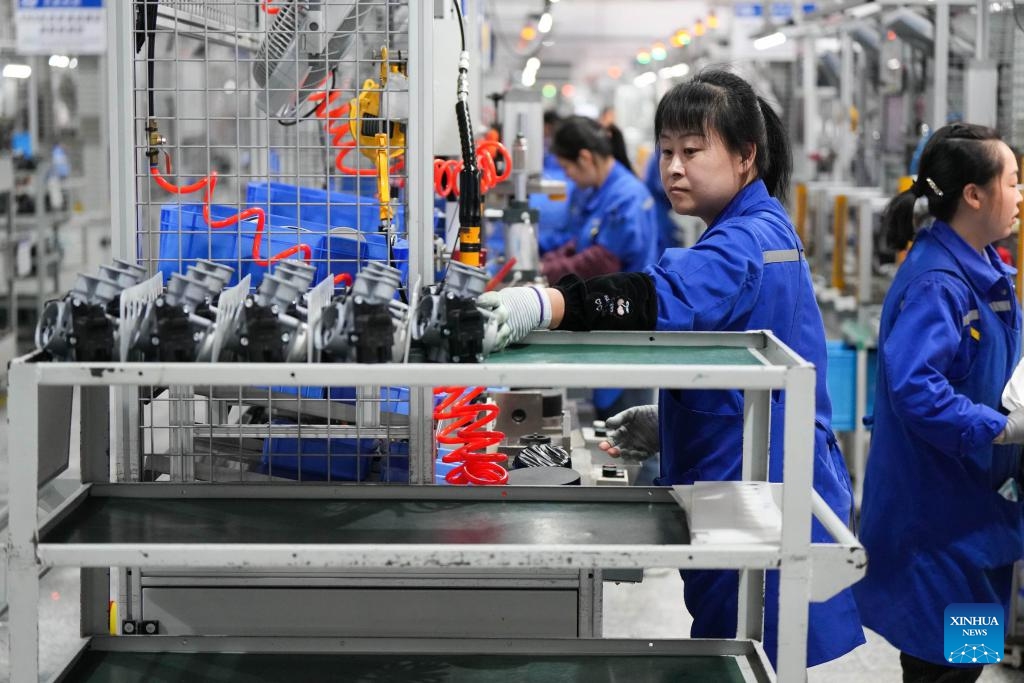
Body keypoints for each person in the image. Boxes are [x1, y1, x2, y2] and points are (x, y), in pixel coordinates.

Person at [478, 69, 865, 668]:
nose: (674, 168)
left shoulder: (747, 241)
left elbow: (664, 295)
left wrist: (546, 304)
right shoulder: (748, 229)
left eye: (691, 151)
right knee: (746, 656)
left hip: (761, 501)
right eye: (665, 152)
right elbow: (735, 364)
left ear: (746, 156)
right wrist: (674, 422)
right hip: (745, 487)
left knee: (752, 659)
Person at [853, 123, 1024, 682]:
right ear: (974, 194)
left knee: (965, 661)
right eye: (1013, 182)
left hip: (977, 519)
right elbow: (916, 389)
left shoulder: (984, 268)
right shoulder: (940, 284)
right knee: (944, 670)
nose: (1020, 196)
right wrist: (1000, 428)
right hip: (940, 526)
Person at [541, 115, 657, 283]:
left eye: (566, 167)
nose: (566, 175)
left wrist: (547, 270)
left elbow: (600, 262)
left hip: (622, 296)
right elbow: (580, 241)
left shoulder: (627, 197)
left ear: (585, 158)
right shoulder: (595, 191)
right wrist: (549, 261)